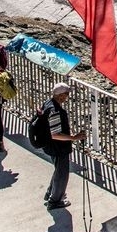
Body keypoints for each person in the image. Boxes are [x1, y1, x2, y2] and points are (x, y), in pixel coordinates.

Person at [42, 82, 86, 210]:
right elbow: (55, 134)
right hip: (58, 147)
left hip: (51, 146)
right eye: (66, 94)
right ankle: (55, 201)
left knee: (58, 170)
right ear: (60, 95)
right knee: (62, 174)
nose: (67, 96)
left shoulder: (47, 104)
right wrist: (74, 138)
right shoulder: (55, 111)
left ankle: (51, 192)